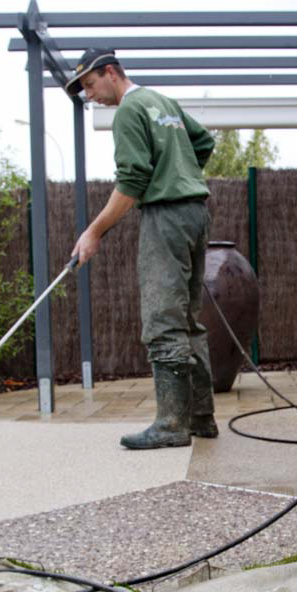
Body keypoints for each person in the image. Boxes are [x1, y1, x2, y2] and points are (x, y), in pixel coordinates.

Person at [68, 48, 217, 450]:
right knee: (188, 319)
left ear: (111, 72)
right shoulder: (162, 102)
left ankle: (171, 423)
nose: (89, 95)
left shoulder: (129, 111)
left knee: (162, 317)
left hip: (167, 217)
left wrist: (94, 231)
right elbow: (202, 143)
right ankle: (201, 417)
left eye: (90, 84)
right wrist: (180, 170)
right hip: (195, 213)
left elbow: (132, 180)